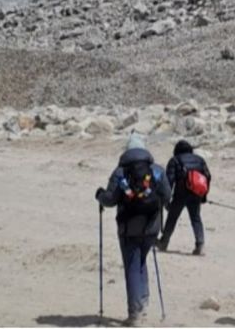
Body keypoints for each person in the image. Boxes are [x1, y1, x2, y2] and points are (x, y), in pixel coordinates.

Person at [94, 134, 169, 327]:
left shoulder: (120, 172)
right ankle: (143, 306)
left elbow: (110, 200)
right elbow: (167, 195)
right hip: (151, 227)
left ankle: (135, 314)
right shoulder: (157, 170)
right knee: (142, 262)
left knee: (132, 266)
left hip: (128, 227)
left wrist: (100, 195)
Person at [158, 139, 210, 255]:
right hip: (196, 193)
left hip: (180, 194)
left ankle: (164, 242)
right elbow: (207, 177)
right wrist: (203, 196)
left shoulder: (175, 160)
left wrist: (166, 199)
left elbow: (169, 181)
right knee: (196, 218)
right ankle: (200, 244)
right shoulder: (200, 160)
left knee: (172, 218)